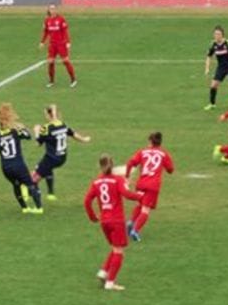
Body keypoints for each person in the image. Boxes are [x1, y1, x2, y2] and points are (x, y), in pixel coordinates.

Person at [84, 154, 143, 291]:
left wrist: (93, 217)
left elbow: (87, 201)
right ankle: (110, 283)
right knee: (119, 251)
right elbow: (127, 194)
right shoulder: (117, 180)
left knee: (116, 247)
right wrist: (140, 196)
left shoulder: (96, 182)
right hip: (116, 220)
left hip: (104, 221)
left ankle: (104, 272)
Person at [0, 103, 43, 214]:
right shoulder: (15, 131)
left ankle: (25, 208)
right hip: (18, 164)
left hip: (6, 167)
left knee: (16, 185)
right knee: (30, 184)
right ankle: (39, 208)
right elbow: (28, 136)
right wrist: (21, 127)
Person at [31, 104, 90, 201]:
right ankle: (51, 194)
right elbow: (73, 134)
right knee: (47, 169)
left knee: (33, 179)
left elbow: (38, 143)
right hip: (62, 158)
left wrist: (36, 131)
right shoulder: (63, 124)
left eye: (45, 114)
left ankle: (35, 202)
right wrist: (84, 139)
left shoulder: (46, 128)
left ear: (48, 115)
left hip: (51, 158)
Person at [125, 132, 175, 242]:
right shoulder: (163, 153)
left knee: (139, 204)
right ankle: (135, 230)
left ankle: (131, 222)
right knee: (145, 210)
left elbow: (130, 163)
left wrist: (127, 178)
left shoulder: (142, 152)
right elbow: (171, 170)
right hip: (153, 186)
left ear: (150, 141)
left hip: (141, 183)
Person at [203, 25, 228, 110]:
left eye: (219, 34)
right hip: (221, 67)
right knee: (213, 85)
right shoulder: (213, 44)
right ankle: (212, 104)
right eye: (215, 34)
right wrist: (207, 68)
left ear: (222, 35)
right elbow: (209, 56)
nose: (217, 36)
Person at [40, 3, 76, 88]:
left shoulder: (61, 19)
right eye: (51, 9)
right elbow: (45, 32)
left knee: (65, 61)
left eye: (54, 9)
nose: (52, 10)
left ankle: (73, 79)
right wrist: (42, 42)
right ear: (49, 10)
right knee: (50, 62)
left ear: (56, 10)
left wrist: (68, 42)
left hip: (61, 44)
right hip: (52, 44)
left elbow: (65, 31)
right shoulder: (47, 20)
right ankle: (51, 81)